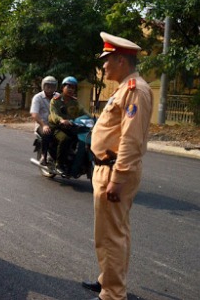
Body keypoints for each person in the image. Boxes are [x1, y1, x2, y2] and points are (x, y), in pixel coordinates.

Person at [82, 32, 153, 300]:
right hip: (107, 168)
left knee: (112, 235)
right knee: (109, 233)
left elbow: (131, 140)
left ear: (121, 60)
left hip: (114, 171)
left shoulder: (135, 89)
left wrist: (118, 178)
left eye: (106, 60)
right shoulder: (125, 88)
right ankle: (108, 282)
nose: (103, 67)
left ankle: (113, 294)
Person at [48, 76, 90, 175]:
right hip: (57, 127)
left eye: (73, 87)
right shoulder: (56, 100)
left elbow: (83, 111)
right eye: (69, 86)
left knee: (81, 139)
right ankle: (59, 165)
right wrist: (61, 120)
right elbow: (53, 114)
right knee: (65, 139)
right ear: (63, 87)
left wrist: (93, 118)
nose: (71, 89)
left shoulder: (74, 102)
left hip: (70, 127)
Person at [30, 76, 60, 165]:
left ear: (55, 87)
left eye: (52, 86)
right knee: (47, 133)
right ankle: (44, 155)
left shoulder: (58, 96)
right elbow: (34, 114)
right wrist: (44, 125)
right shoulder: (38, 97)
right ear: (43, 86)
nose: (50, 88)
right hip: (42, 124)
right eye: (47, 86)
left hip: (56, 124)